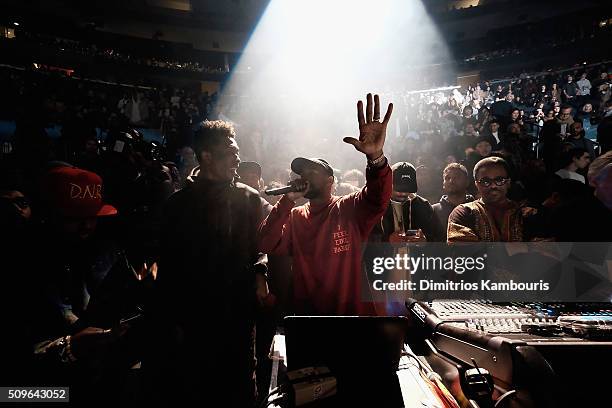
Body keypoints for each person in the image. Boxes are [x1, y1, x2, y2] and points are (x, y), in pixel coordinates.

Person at [146, 120, 268, 406]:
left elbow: (261, 247)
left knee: (239, 393)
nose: (238, 157)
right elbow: (166, 267)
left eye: (237, 150)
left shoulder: (250, 199)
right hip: (192, 326)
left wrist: (261, 272)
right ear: (206, 156)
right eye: (230, 151)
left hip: (238, 323)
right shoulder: (177, 205)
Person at [257, 93, 393, 316]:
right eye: (302, 172)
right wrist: (287, 200)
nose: (304, 175)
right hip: (310, 321)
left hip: (353, 319)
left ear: (330, 181)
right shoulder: (294, 216)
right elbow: (265, 243)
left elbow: (379, 196)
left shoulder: (348, 207)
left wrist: (375, 156)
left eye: (312, 171)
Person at [447, 157, 524, 242]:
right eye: (485, 181)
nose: (493, 186)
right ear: (477, 184)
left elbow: (539, 250)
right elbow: (463, 251)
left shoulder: (525, 213)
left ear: (508, 182)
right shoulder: (464, 213)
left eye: (499, 180)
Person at [432, 163, 474, 241]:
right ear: (443, 184)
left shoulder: (478, 209)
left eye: (457, 177)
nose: (451, 181)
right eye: (447, 178)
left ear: (467, 182)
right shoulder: (432, 211)